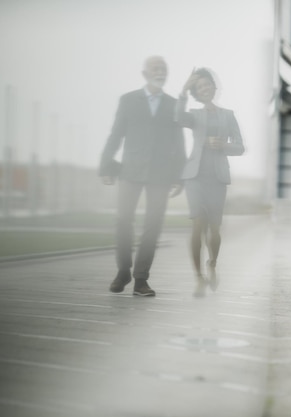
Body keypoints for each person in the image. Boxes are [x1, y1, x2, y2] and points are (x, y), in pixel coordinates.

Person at [99, 55, 185, 297]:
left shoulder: (173, 104)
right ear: (145, 73)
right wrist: (106, 166)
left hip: (161, 174)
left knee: (153, 225)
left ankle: (140, 279)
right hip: (130, 170)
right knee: (123, 220)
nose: (161, 72)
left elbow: (179, 143)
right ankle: (123, 271)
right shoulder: (128, 101)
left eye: (164, 69)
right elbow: (115, 135)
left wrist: (180, 176)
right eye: (156, 68)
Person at [175, 68, 244, 297]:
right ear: (196, 92)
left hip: (217, 177)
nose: (204, 89)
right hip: (194, 176)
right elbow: (177, 117)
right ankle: (198, 278)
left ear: (214, 87)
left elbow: (240, 147)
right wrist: (184, 90)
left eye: (207, 85)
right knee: (197, 223)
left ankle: (212, 264)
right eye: (199, 87)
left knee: (214, 228)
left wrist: (223, 146)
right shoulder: (193, 115)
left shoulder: (228, 115)